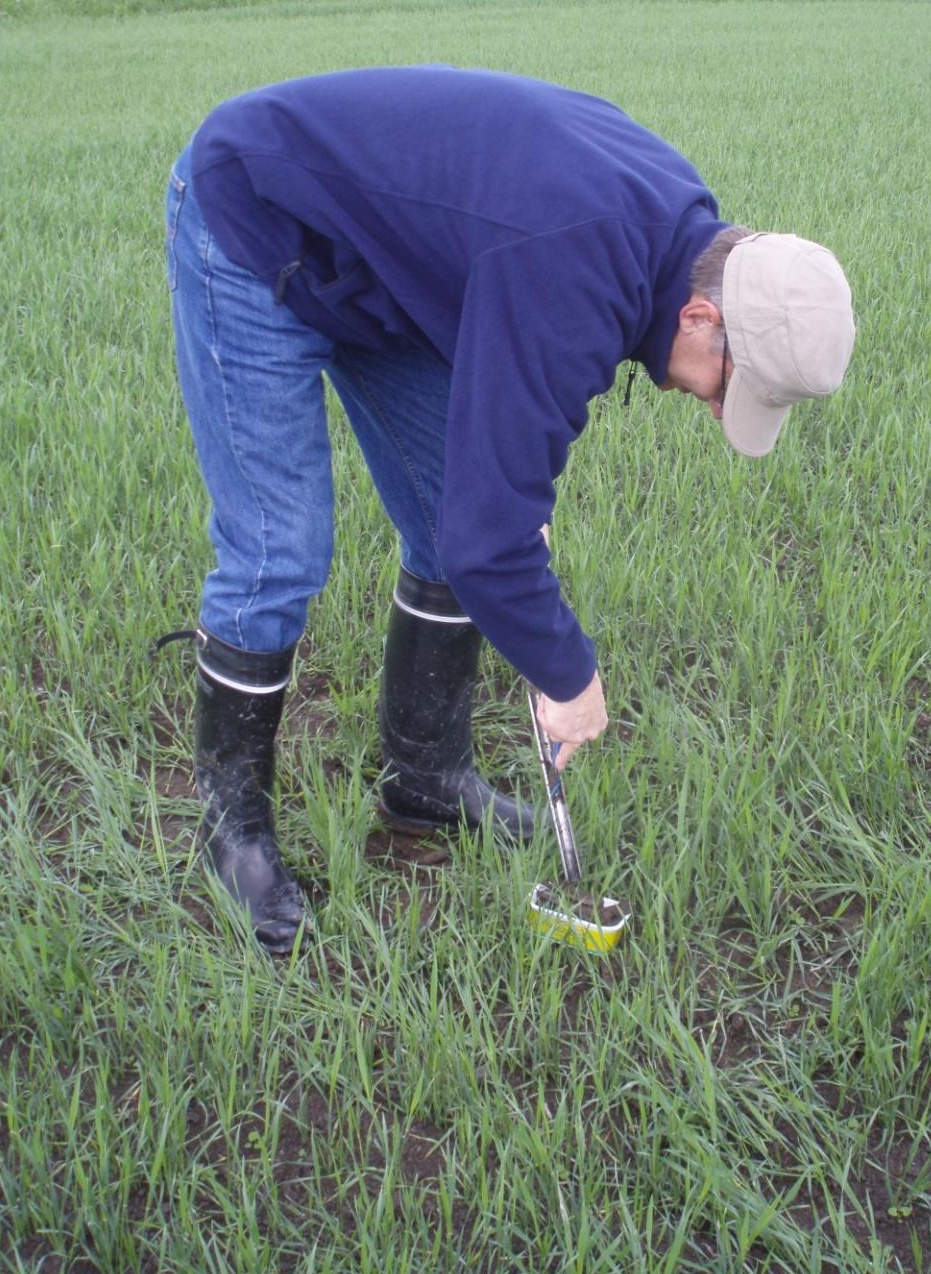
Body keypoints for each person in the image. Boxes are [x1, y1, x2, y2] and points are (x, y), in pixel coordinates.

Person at [162, 66, 855, 953]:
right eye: (732, 388)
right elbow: (493, 538)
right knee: (280, 550)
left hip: (379, 270)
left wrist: (508, 498)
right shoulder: (577, 265)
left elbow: (504, 439)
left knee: (460, 511)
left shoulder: (675, 232)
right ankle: (234, 833)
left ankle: (425, 779)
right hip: (254, 221)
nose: (721, 410)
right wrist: (567, 677)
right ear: (697, 317)